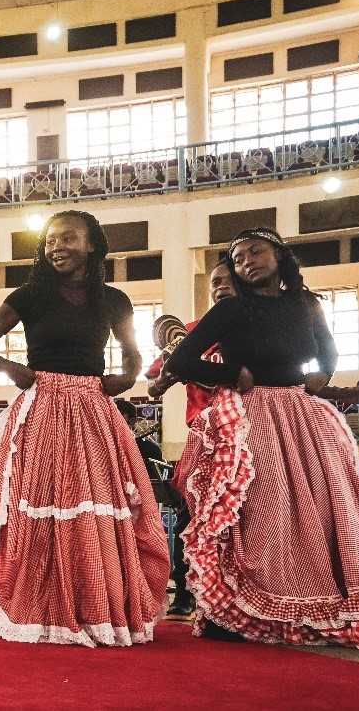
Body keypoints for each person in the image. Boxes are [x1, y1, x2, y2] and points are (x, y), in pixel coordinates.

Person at [165, 227, 359, 650]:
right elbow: (183, 358)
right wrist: (229, 374)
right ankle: (239, 611)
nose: (246, 262)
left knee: (316, 513)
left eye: (255, 252)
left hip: (299, 413)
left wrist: (324, 373)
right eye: (238, 259)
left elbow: (327, 350)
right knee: (259, 513)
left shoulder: (307, 305)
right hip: (251, 413)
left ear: (279, 257)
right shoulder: (229, 311)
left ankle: (308, 604)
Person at [0, 210, 169, 646]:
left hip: (93, 407)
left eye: (68, 238)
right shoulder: (31, 294)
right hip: (41, 405)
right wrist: (11, 369)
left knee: (95, 505)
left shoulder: (114, 299)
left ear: (92, 245)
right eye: (50, 241)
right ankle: (44, 605)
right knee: (39, 502)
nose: (56, 247)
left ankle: (93, 603)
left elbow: (132, 352)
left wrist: (129, 374)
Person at [145, 258, 237, 620]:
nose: (220, 286)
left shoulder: (254, 330)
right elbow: (155, 377)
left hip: (249, 436)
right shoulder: (195, 331)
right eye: (215, 281)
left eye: (229, 280)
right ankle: (184, 593)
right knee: (188, 518)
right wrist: (168, 371)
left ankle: (237, 597)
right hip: (202, 441)